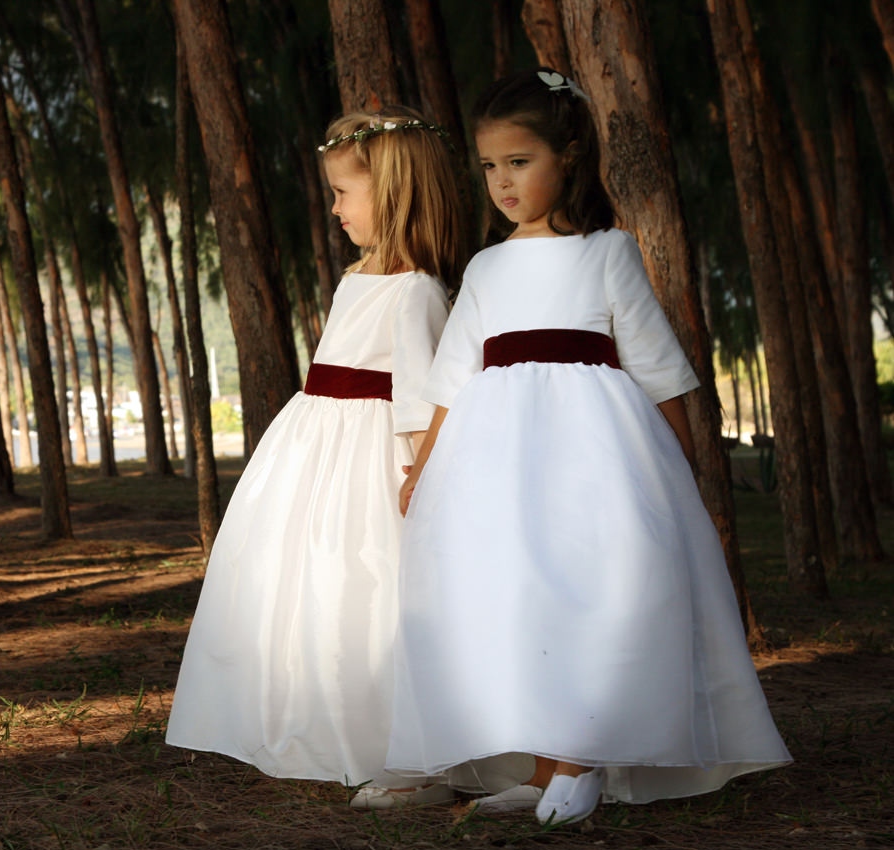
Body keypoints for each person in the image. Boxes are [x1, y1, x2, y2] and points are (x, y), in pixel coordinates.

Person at [386, 69, 791, 825]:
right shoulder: (485, 266)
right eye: (490, 167)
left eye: (519, 162)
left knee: (585, 590)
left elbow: (657, 367)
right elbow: (450, 379)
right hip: (494, 457)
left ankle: (580, 759)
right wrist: (427, 464)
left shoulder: (609, 250)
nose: (502, 183)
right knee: (518, 595)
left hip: (591, 452)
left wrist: (679, 464)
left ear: (567, 157)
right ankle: (542, 769)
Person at [166, 106, 465, 810]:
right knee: (325, 601)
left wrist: (421, 482)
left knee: (378, 601)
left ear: (391, 194)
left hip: (371, 465)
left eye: (342, 192)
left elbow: (424, 401)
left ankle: (413, 756)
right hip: (317, 454)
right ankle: (339, 735)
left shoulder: (418, 291)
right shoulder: (357, 278)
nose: (333, 208)